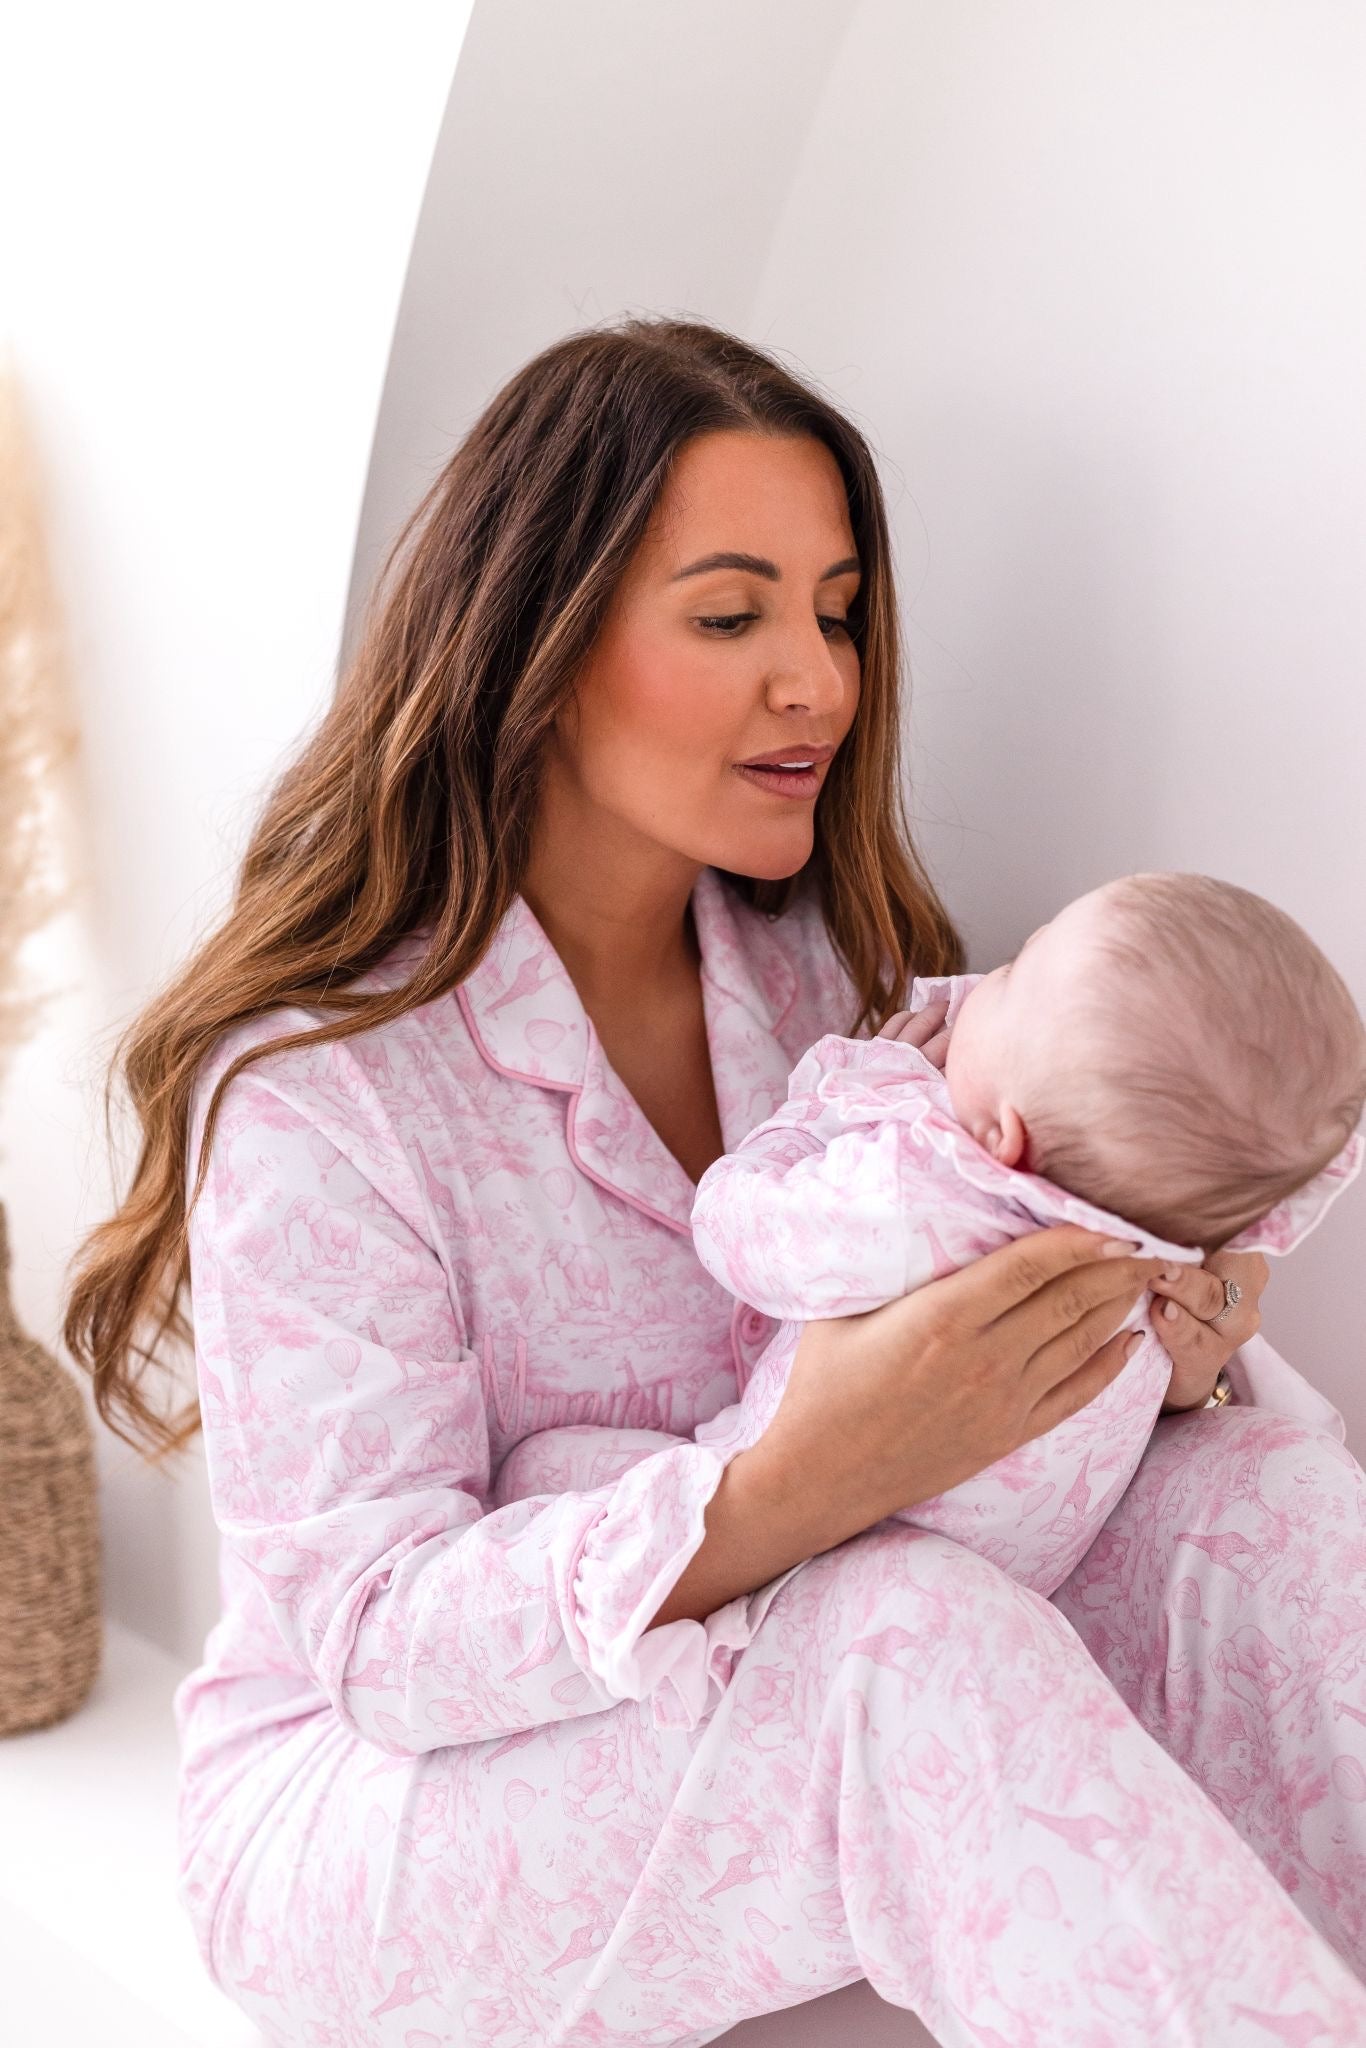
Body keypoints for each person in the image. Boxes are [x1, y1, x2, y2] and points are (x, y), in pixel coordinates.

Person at [63, 317, 1366, 2047]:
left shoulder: (835, 980)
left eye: (836, 612)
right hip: (371, 1800)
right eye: (731, 615)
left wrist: (1182, 1336)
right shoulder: (324, 1086)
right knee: (894, 1627)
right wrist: (789, 1485)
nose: (818, 679)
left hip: (745, 1671)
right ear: (539, 645)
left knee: (1261, 1497)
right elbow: (375, 1640)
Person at [498, 872, 1366, 1601]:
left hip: (811, 1562)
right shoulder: (1159, 1240)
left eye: (1011, 976)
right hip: (1020, 1576)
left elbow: (734, 1229)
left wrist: (842, 1095)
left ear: (1004, 1139)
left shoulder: (925, 1192)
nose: (977, 982)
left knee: (543, 1467)